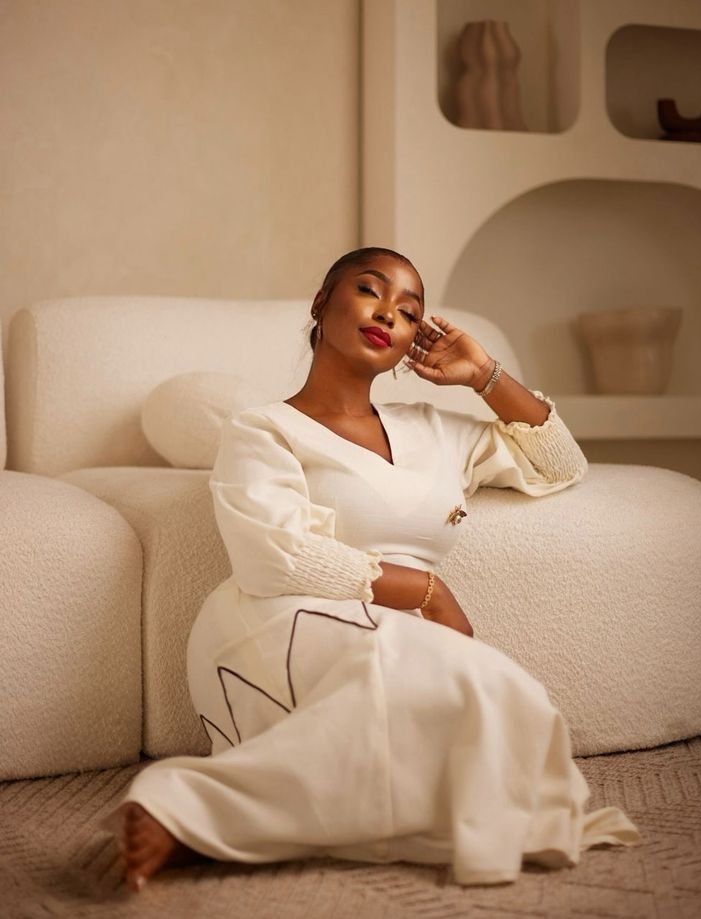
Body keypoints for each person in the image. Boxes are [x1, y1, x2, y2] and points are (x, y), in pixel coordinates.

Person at [102, 247, 640, 892]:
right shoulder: (264, 428)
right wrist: (426, 589)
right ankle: (182, 809)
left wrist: (483, 375)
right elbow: (271, 554)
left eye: (410, 311)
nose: (389, 311)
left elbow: (561, 464)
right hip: (274, 619)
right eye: (369, 289)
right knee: (406, 687)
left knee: (504, 694)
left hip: (400, 632)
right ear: (321, 306)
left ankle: (225, 830)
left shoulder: (441, 433)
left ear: (416, 339)